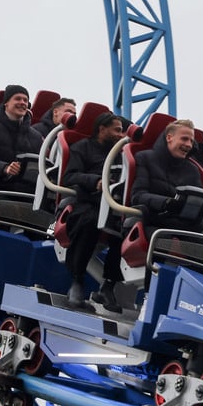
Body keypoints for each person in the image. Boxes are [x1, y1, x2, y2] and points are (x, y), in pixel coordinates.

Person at [61, 112, 125, 310]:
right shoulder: (83, 147)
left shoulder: (122, 155)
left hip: (114, 205)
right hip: (87, 202)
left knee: (126, 228)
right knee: (91, 221)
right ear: (101, 129)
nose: (120, 135)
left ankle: (108, 286)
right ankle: (77, 280)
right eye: (117, 130)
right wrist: (94, 181)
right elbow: (69, 177)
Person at [130, 119, 203, 234]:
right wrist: (166, 203)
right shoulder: (145, 158)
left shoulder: (193, 170)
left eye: (191, 141)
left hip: (182, 228)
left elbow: (198, 200)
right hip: (152, 222)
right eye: (184, 139)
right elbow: (137, 196)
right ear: (169, 138)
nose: (189, 145)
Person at [0, 84, 44, 193]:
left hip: (28, 190)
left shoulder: (36, 136)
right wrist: (5, 168)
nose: (22, 102)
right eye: (17, 98)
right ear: (6, 103)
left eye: (25, 100)